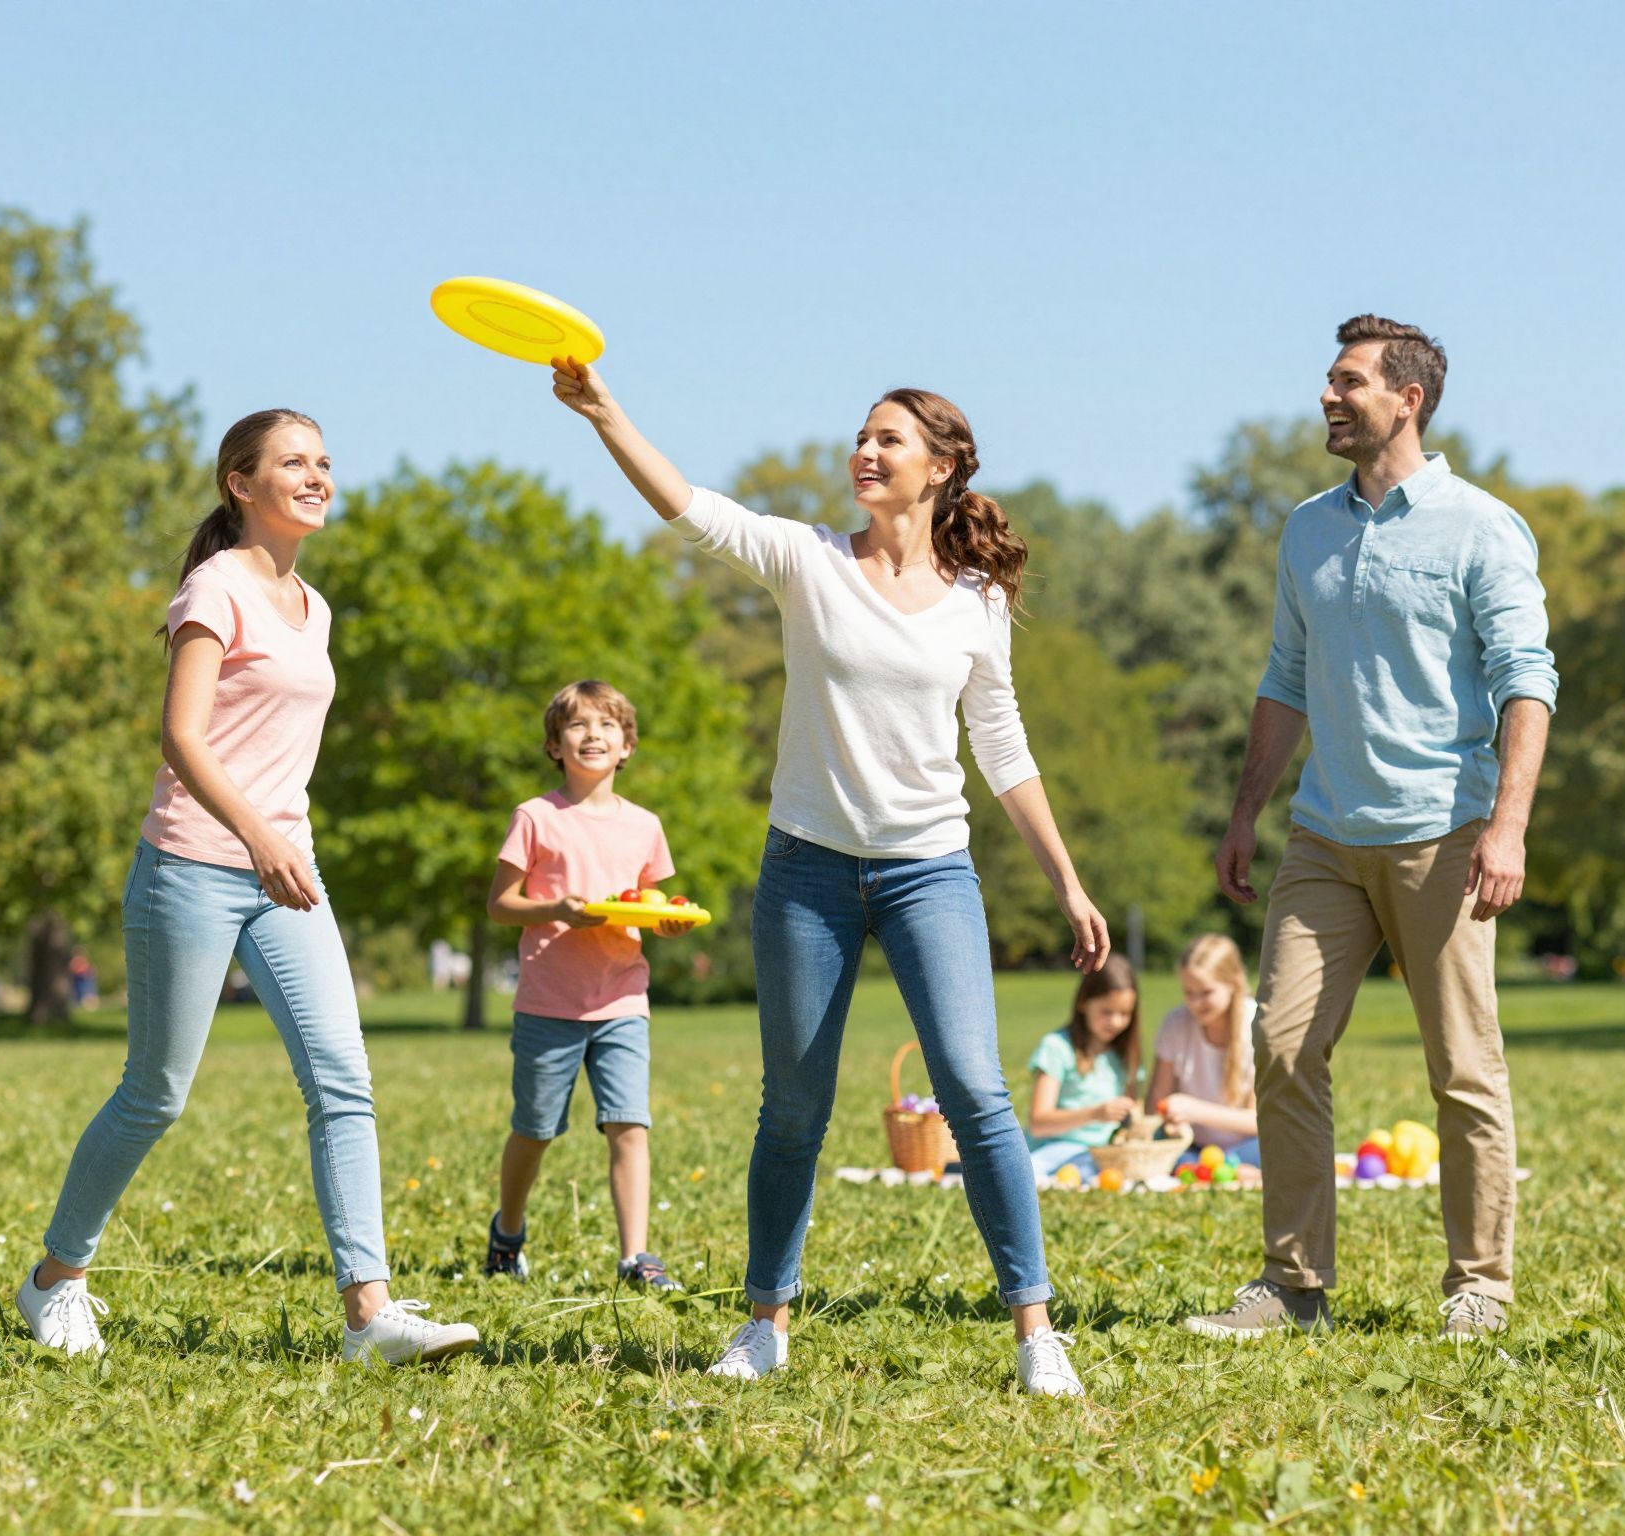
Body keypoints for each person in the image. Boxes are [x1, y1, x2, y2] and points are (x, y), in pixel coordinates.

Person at [550, 359, 1109, 1397]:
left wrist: (1067, 883)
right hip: (805, 868)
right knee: (793, 1110)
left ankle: (1036, 1333)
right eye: (861, 435)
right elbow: (690, 510)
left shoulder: (974, 603)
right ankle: (766, 1321)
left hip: (927, 870)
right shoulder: (807, 561)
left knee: (978, 1092)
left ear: (938, 467)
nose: (865, 451)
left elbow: (1003, 749)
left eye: (888, 440)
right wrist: (604, 413)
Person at [17, 410, 478, 1365]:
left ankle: (369, 1314)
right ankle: (55, 1280)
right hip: (191, 866)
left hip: (285, 873)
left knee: (343, 1080)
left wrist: (281, 842)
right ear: (241, 483)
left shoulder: (316, 607)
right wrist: (257, 834)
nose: (317, 477)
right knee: (157, 1093)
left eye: (324, 463)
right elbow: (181, 736)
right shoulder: (215, 588)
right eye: (294, 463)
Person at [1190, 315, 1557, 1343]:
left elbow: (1526, 680)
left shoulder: (1481, 527)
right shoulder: (1306, 527)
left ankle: (1476, 1284)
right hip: (1322, 836)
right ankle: (1293, 1285)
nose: (1325, 395)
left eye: (1346, 381)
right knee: (1280, 1043)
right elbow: (1284, 677)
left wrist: (1507, 826)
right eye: (1326, 378)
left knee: (1462, 1067)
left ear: (1408, 400)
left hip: (1443, 831)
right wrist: (1245, 809)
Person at [482, 678, 696, 1291]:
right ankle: (508, 1233)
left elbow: (650, 901)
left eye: (607, 725)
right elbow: (501, 904)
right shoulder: (536, 817)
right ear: (555, 745)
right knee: (535, 1129)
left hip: (623, 998)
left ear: (626, 745)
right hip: (551, 1001)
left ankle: (636, 1257)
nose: (593, 735)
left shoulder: (645, 825)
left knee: (630, 1124)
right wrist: (557, 909)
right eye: (578, 725)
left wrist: (666, 922)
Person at [1023, 957, 1141, 1180]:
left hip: (1104, 1154)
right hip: (1055, 1151)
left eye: (1125, 1014)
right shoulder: (1057, 1048)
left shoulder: (1123, 1055)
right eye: (1106, 1012)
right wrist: (1095, 1114)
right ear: (1083, 1003)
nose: (1116, 1022)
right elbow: (1039, 1123)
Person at [1145, 935, 1260, 1165]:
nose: (1195, 1003)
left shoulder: (1257, 1024)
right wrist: (1170, 1119)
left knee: (1275, 1152)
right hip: (1193, 1146)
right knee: (1173, 1160)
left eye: (1206, 993)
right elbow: (1154, 1106)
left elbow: (1260, 1121)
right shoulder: (1175, 1024)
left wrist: (1195, 1110)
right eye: (1189, 992)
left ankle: (1232, 1168)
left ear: (1233, 984)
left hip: (1249, 1144)